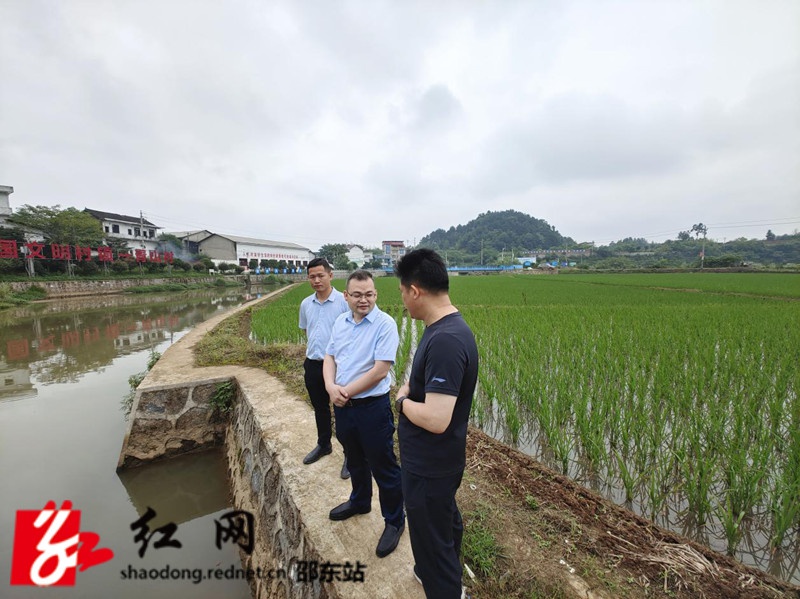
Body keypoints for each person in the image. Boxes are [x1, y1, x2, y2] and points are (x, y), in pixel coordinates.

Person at [394, 249, 479, 599]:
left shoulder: (445, 339)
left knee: (432, 541)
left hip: (430, 464)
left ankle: (444, 586)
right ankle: (435, 572)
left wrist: (401, 402)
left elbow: (436, 419)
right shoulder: (442, 328)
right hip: (436, 463)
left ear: (415, 290)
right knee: (442, 522)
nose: (402, 300)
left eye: (401, 292)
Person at [323, 270, 405, 558]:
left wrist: (343, 392)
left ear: (376, 294)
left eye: (369, 294)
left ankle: (395, 520)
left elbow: (380, 370)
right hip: (344, 407)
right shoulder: (340, 322)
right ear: (346, 296)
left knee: (384, 465)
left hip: (372, 407)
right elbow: (329, 357)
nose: (363, 300)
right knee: (354, 458)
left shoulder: (385, 324)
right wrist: (330, 386)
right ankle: (360, 501)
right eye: (357, 295)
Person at [298, 258, 350, 478]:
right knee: (320, 408)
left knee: (344, 410)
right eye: (312, 276)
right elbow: (305, 330)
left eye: (321, 275)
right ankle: (324, 444)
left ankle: (350, 454)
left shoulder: (343, 302)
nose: (316, 280)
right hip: (312, 363)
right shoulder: (305, 304)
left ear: (331, 275)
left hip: (339, 366)